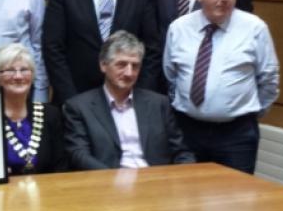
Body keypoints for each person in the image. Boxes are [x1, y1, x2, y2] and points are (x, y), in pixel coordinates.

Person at [164, 0, 279, 174]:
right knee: (185, 196)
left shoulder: (255, 28)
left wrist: (245, 113)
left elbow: (269, 80)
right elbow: (171, 75)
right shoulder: (179, 28)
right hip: (187, 130)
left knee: (235, 200)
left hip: (236, 134)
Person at [63, 31, 194, 170]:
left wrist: (183, 176)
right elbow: (79, 155)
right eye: (121, 64)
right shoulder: (79, 107)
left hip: (155, 183)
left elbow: (181, 151)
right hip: (107, 184)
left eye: (135, 66)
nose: (129, 73)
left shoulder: (159, 104)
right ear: (103, 65)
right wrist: (114, 180)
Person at [0, 43, 65, 174]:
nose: (18, 76)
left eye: (24, 70)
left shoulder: (50, 114)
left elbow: (61, 166)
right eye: (10, 70)